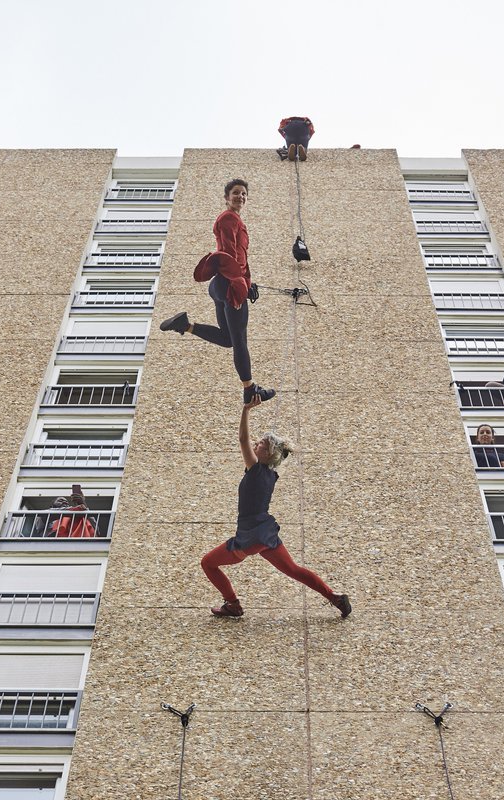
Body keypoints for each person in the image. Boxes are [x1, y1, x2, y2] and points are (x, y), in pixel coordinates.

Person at [200, 398, 351, 618]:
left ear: (267, 455)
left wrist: (246, 409)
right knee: (293, 570)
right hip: (266, 534)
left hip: (250, 536)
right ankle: (335, 597)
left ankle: (232, 604)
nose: (256, 443)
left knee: (208, 563)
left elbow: (243, 439)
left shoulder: (256, 471)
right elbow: (249, 442)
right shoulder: (270, 475)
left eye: (260, 444)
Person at [159, 179, 276, 406]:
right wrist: (240, 284)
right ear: (226, 197)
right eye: (235, 193)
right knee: (240, 340)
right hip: (228, 282)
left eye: (243, 194)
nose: (240, 197)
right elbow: (232, 255)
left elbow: (237, 257)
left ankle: (185, 325)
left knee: (228, 339)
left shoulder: (233, 219)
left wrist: (246, 281)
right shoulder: (229, 218)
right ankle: (250, 389)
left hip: (223, 283)